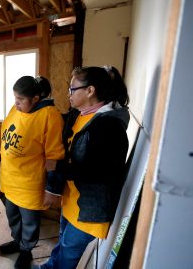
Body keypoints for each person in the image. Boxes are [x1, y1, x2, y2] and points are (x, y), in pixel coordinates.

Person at [37, 66, 130, 269]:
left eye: (72, 89)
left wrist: (58, 167)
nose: (68, 93)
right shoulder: (79, 115)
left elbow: (99, 172)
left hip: (89, 209)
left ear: (90, 91)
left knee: (68, 253)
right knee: (62, 244)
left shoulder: (109, 127)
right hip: (72, 200)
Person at [0, 76, 64, 269]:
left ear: (36, 98)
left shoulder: (50, 115)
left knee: (29, 221)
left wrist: (52, 189)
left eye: (20, 100)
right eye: (15, 99)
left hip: (29, 182)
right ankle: (17, 241)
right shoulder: (16, 109)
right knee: (13, 216)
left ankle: (26, 249)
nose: (16, 104)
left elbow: (55, 156)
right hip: (9, 179)